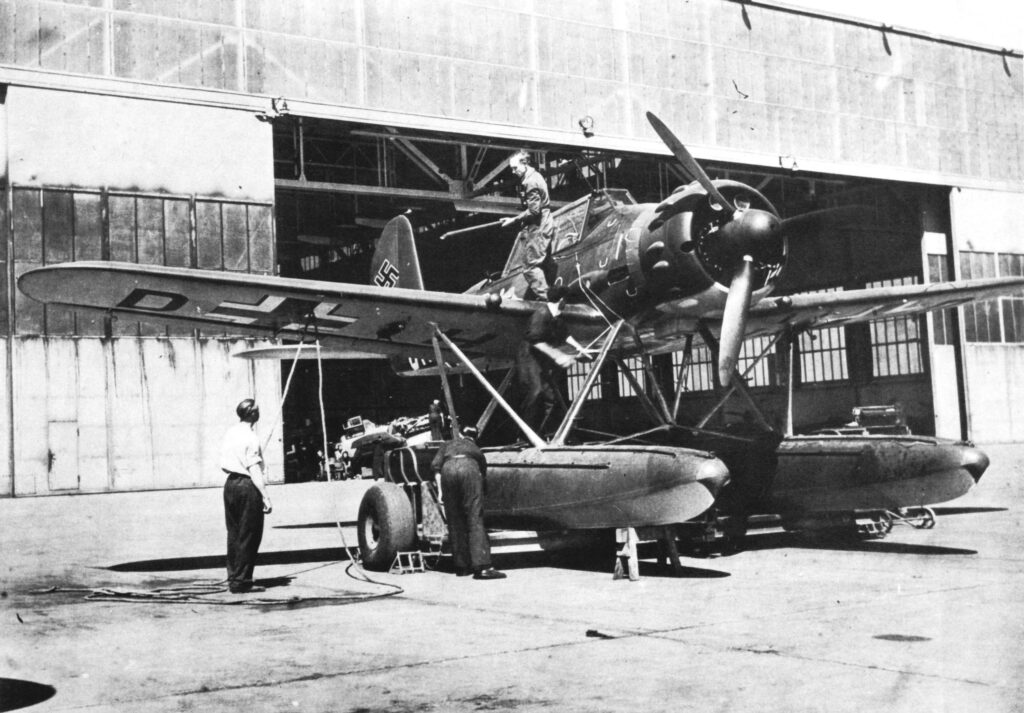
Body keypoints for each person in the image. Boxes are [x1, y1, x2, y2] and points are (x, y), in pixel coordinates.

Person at [431, 426, 505, 580]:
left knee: (454, 519)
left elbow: (436, 469)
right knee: (474, 518)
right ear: (475, 437)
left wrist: (440, 491)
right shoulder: (475, 448)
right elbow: (482, 473)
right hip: (469, 469)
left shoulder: (447, 444)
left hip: (447, 471)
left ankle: (461, 566)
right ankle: (482, 567)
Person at [516, 286, 590, 433]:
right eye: (566, 300)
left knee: (551, 398)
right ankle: (524, 436)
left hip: (542, 358)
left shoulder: (556, 316)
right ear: (562, 300)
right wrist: (558, 355)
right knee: (535, 392)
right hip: (529, 357)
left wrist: (580, 348)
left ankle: (541, 434)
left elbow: (565, 335)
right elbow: (535, 341)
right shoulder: (541, 314)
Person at [220, 398, 273, 594]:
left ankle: (234, 577)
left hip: (231, 485)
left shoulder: (231, 432)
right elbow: (254, 469)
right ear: (252, 414)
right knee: (249, 534)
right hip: (247, 485)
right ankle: (242, 582)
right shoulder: (251, 437)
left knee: (234, 533)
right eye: (257, 410)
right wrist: (265, 496)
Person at [500, 150, 555, 300]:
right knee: (545, 262)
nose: (513, 171)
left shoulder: (530, 182)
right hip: (545, 222)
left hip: (539, 225)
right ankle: (552, 293)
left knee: (530, 266)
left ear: (524, 164)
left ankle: (548, 300)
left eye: (514, 168)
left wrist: (513, 220)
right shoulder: (535, 176)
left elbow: (534, 211)